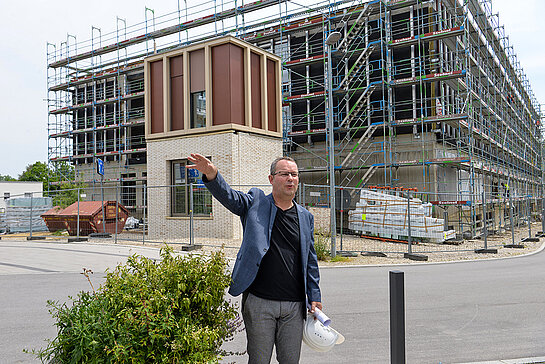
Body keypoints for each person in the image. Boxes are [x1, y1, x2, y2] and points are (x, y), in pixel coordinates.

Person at [187, 153, 322, 364]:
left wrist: (315, 295)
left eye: (294, 175)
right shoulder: (255, 203)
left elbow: (310, 259)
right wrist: (213, 175)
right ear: (271, 179)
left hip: (294, 306)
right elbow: (230, 197)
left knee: (291, 361)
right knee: (259, 360)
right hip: (260, 302)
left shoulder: (305, 216)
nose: (290, 179)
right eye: (284, 174)